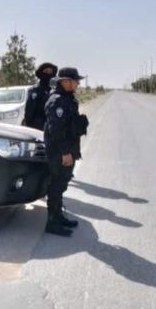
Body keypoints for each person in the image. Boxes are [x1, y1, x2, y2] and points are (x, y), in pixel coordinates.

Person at [43, 67, 89, 237]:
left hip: (67, 149)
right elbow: (56, 131)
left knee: (62, 184)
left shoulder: (68, 99)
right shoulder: (57, 101)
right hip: (59, 152)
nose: (78, 83)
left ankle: (59, 216)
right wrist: (65, 153)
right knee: (56, 185)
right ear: (66, 81)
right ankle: (52, 222)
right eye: (75, 80)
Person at [22, 62, 58, 130]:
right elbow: (29, 112)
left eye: (50, 72)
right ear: (41, 73)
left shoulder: (55, 91)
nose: (48, 74)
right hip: (38, 128)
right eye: (46, 71)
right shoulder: (35, 91)